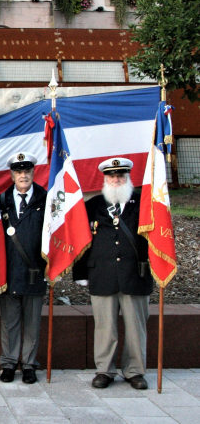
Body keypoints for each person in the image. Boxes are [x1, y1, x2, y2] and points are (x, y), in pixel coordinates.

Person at [73, 158, 153, 391]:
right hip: (102, 274)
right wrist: (80, 272)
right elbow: (81, 240)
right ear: (105, 179)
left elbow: (156, 237)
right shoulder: (93, 205)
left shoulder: (143, 203)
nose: (116, 180)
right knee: (105, 327)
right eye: (112, 176)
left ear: (128, 178)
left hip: (135, 274)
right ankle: (104, 370)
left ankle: (135, 371)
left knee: (136, 327)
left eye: (121, 176)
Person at [0, 152, 47, 384]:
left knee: (32, 323)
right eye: (18, 172)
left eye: (27, 171)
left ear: (33, 173)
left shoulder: (46, 200)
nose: (23, 175)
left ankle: (28, 365)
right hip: (8, 270)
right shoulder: (1, 201)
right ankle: (8, 363)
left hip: (35, 271)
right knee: (9, 321)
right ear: (12, 175)